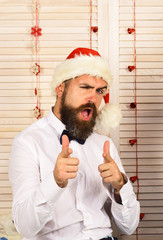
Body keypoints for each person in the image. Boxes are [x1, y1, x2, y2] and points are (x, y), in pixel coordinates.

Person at [9, 48, 140, 240]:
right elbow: (25, 228)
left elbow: (128, 227)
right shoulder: (28, 142)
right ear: (60, 88)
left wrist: (121, 186)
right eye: (85, 87)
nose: (93, 98)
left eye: (99, 91)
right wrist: (55, 183)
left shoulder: (104, 145)